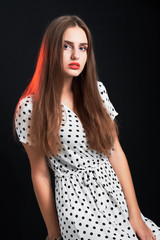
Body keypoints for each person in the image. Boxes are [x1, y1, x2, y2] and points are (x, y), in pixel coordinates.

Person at [13, 15, 160, 240]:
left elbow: (116, 153)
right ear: (51, 50)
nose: (76, 55)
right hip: (75, 203)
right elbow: (40, 174)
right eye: (66, 46)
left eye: (83, 48)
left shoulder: (97, 92)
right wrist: (54, 232)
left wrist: (136, 216)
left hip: (114, 195)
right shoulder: (30, 108)